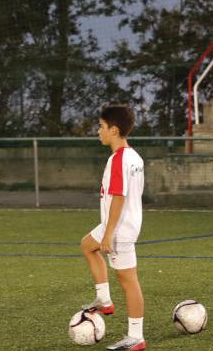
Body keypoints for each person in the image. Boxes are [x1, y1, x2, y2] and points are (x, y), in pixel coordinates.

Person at [80, 104, 147, 351]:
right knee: (87, 245)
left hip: (119, 229)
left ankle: (136, 337)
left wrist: (109, 234)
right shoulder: (135, 157)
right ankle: (104, 299)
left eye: (101, 126)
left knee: (128, 280)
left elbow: (119, 197)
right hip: (116, 224)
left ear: (114, 130)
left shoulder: (119, 159)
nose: (98, 131)